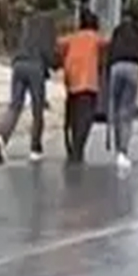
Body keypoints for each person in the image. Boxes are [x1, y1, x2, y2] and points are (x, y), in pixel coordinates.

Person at [0, 0, 58, 164]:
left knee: (15, 105)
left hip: (18, 63)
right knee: (37, 110)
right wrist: (54, 64)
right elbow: (47, 49)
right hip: (35, 66)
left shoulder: (27, 20)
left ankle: (1, 137)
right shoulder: (48, 22)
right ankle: (35, 149)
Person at [57, 9, 108, 164]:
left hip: (71, 80)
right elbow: (107, 44)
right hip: (87, 83)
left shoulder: (71, 38)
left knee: (73, 116)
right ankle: (78, 150)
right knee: (85, 118)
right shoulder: (95, 38)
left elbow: (58, 44)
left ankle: (73, 146)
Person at [106, 4, 138, 171]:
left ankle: (117, 147)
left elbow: (110, 50)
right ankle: (123, 152)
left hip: (115, 67)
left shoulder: (118, 30)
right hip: (132, 69)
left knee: (116, 110)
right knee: (127, 112)